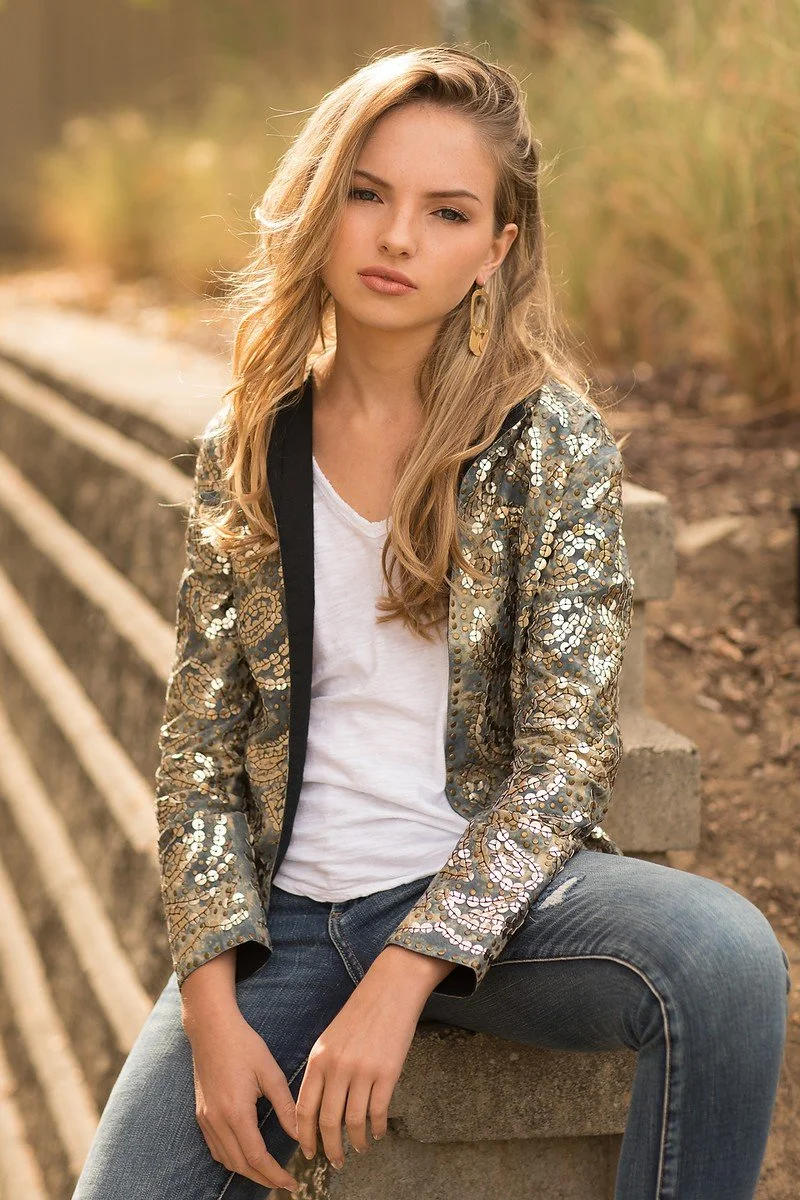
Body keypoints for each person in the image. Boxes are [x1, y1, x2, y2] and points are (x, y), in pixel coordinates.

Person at [72, 45, 790, 1200]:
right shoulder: (253, 443)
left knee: (723, 959)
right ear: (322, 201)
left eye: (445, 211)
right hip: (284, 920)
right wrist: (211, 1011)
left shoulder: (546, 444)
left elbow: (565, 764)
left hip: (490, 915)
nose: (396, 237)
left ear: (494, 250)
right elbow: (198, 753)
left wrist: (406, 972)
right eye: (366, 193)